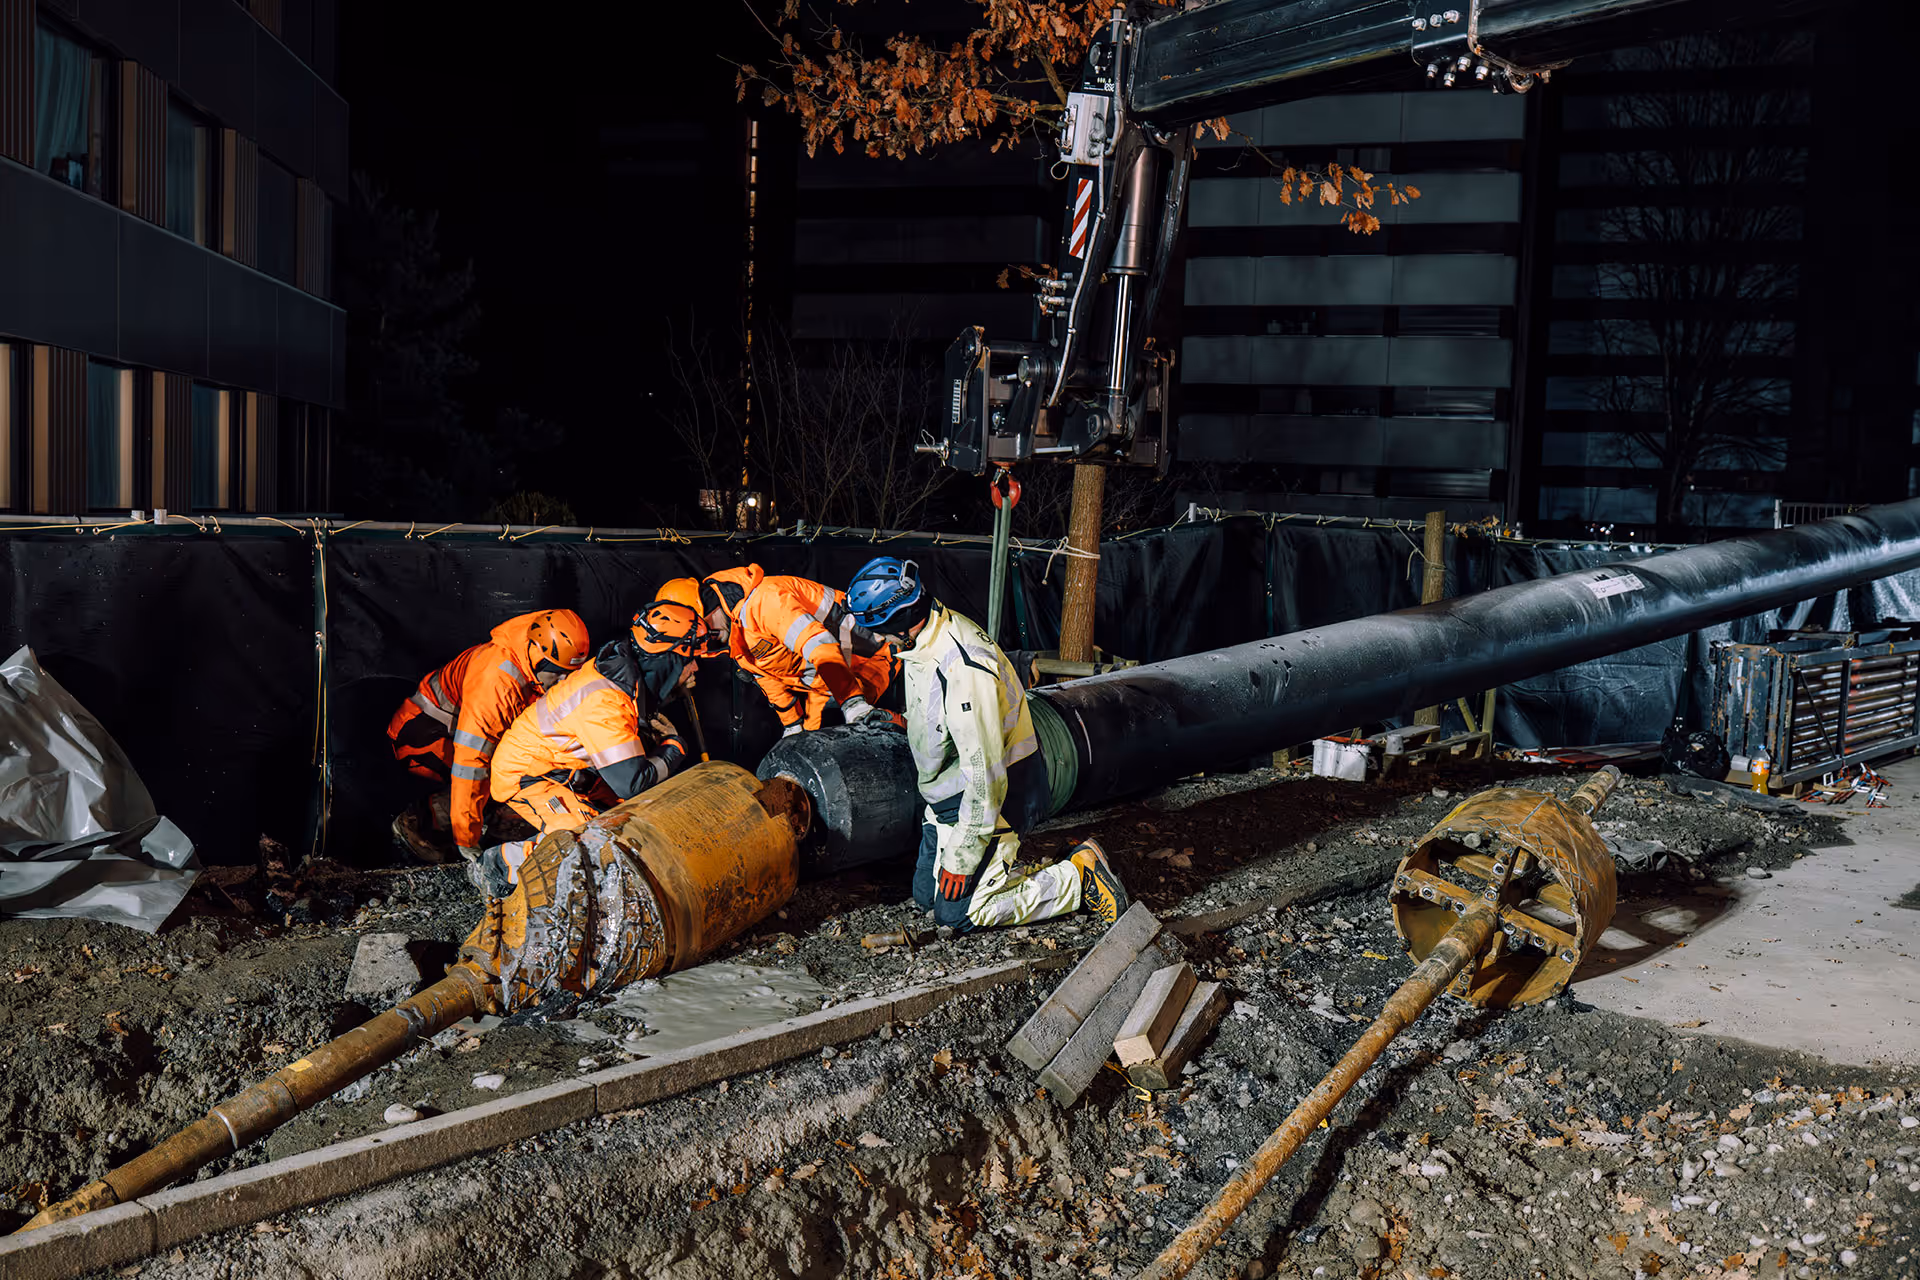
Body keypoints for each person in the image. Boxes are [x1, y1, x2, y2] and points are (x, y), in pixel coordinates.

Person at [844, 556, 1129, 931]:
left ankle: (1079, 878)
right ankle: (1001, 872)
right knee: (925, 896)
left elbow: (986, 777)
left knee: (958, 914)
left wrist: (962, 859)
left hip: (997, 794)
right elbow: (943, 717)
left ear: (899, 619)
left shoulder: (962, 669)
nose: (879, 639)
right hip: (948, 794)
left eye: (880, 629)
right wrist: (903, 722)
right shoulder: (927, 633)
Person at [477, 599, 701, 897]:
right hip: (529, 775)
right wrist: (674, 747)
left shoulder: (625, 681)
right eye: (688, 659)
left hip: (570, 772)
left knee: (632, 823)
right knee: (586, 843)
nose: (695, 667)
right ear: (666, 661)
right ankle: (502, 864)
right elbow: (632, 782)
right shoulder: (606, 700)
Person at [385, 609, 591, 867]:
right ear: (539, 656)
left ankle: (487, 820)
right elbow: (470, 762)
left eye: (569, 674)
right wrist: (466, 837)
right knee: (504, 775)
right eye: (558, 674)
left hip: (450, 732)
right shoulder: (497, 680)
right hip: (424, 741)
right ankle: (421, 824)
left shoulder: (536, 655)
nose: (563, 681)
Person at [697, 565, 894, 736]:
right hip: (825, 683)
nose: (703, 640)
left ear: (709, 608)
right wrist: (792, 724)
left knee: (871, 731)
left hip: (870, 657)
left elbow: (820, 646)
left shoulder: (766, 601)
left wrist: (852, 702)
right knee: (811, 744)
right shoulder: (735, 631)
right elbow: (767, 675)